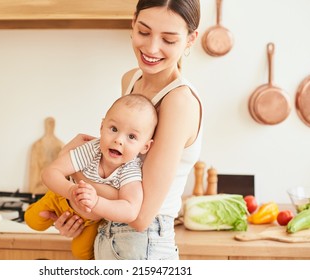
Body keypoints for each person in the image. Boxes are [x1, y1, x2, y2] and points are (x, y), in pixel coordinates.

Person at [42, 0, 202, 260]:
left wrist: (74, 170)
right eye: (144, 31)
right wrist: (78, 209)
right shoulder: (131, 79)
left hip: (143, 243)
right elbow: (119, 172)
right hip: (109, 233)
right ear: (133, 22)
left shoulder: (178, 102)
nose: (151, 48)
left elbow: (139, 216)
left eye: (169, 40)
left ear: (190, 40)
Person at [24, 94, 158, 260]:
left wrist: (96, 202)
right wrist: (71, 190)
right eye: (114, 129)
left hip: (89, 222)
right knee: (32, 220)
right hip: (62, 199)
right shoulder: (91, 150)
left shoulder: (130, 170)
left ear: (145, 147)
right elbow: (50, 172)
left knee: (82, 255)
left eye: (131, 137)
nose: (118, 140)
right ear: (102, 127)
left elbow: (130, 210)